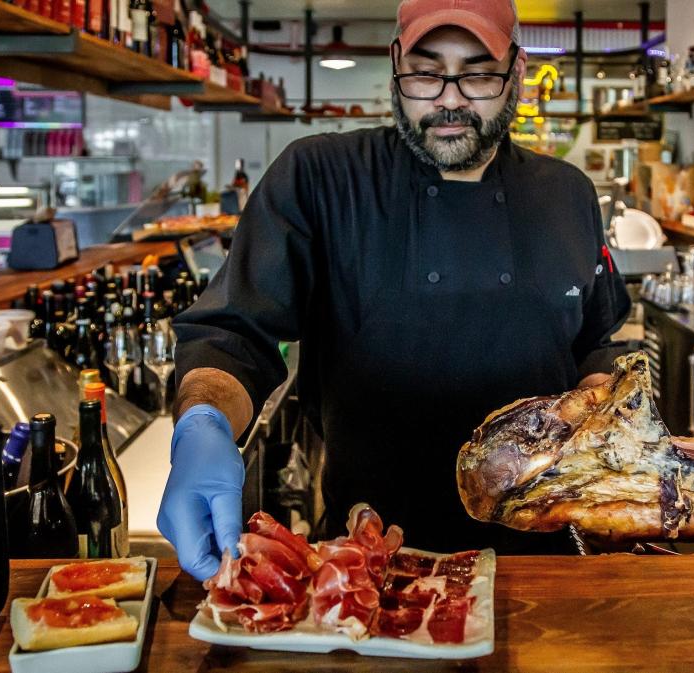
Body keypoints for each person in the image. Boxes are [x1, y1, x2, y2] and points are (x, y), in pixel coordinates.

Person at [158, 0, 632, 581]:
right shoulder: (319, 178)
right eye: (427, 71)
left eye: (479, 72)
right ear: (395, 64)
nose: (450, 98)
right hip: (369, 567)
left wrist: (615, 424)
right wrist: (202, 424)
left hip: (547, 563)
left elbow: (595, 345)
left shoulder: (568, 194)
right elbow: (233, 336)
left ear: (517, 71)